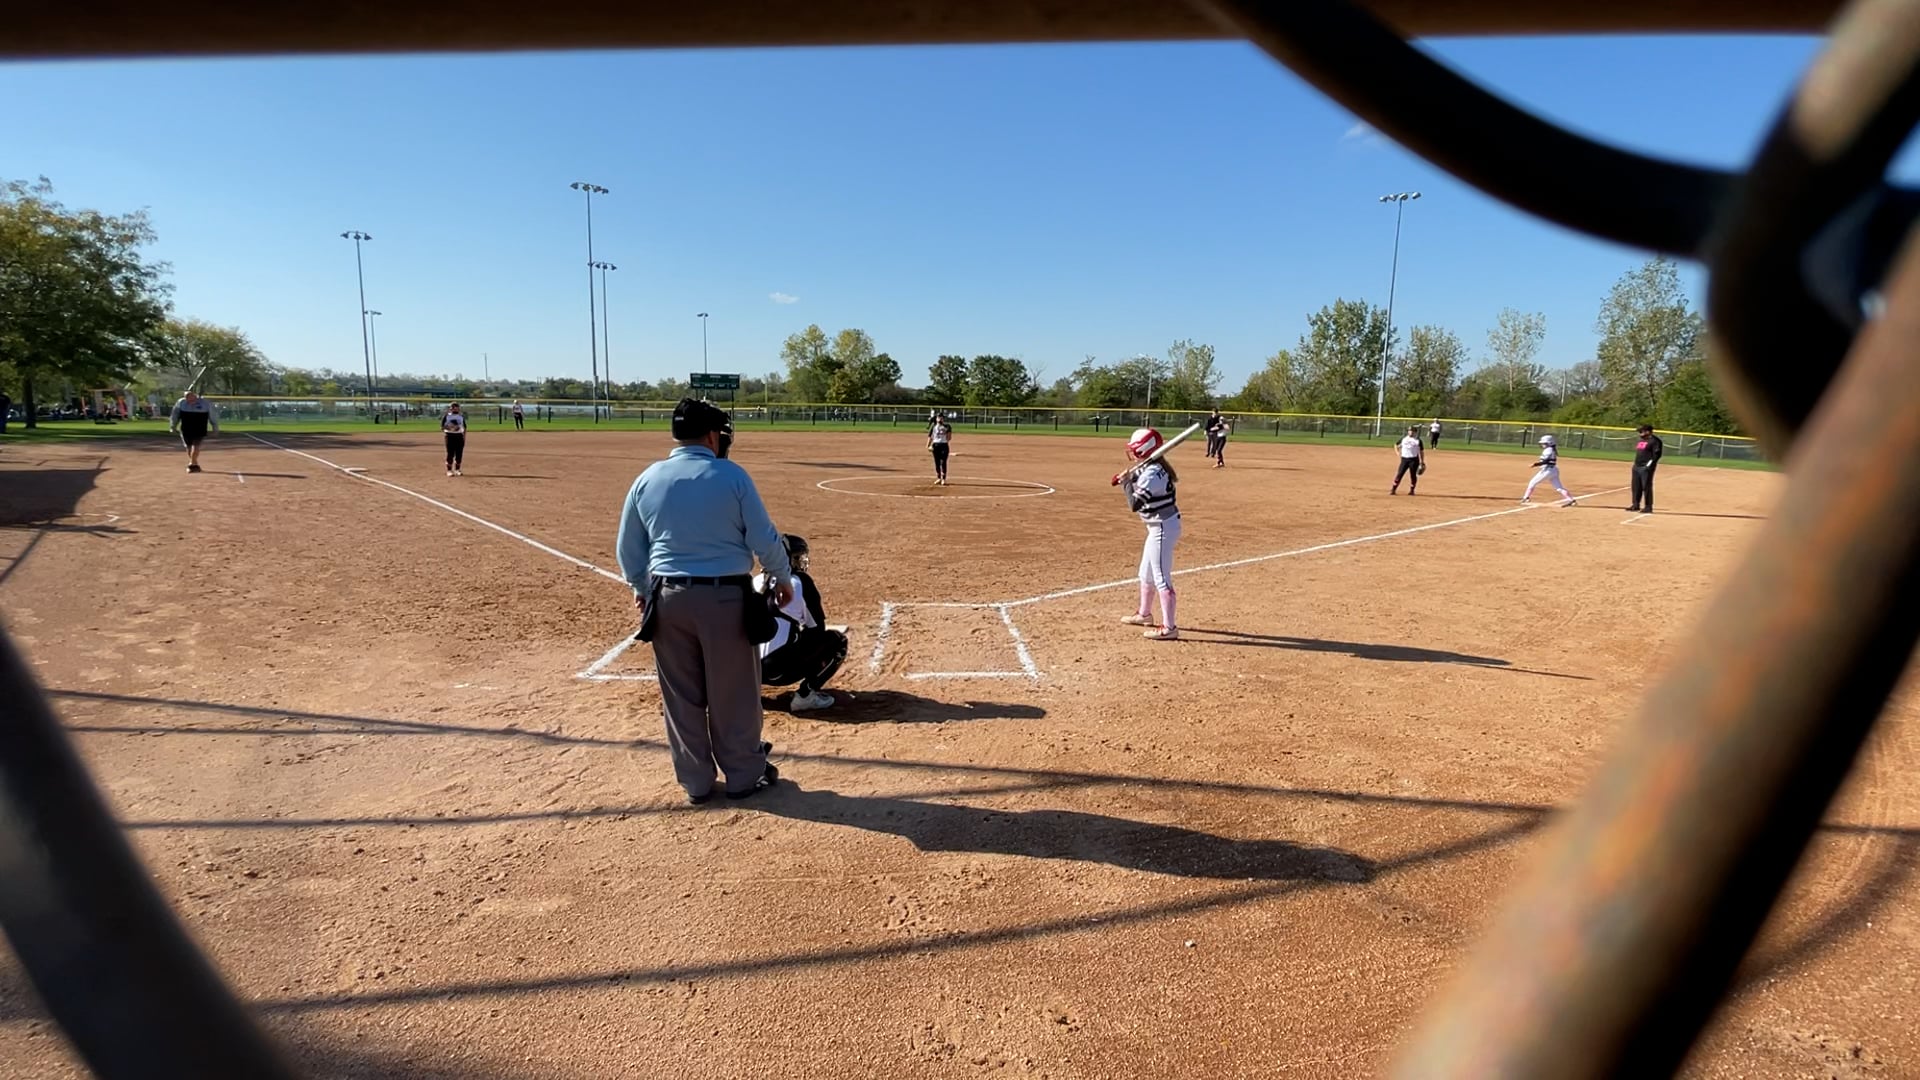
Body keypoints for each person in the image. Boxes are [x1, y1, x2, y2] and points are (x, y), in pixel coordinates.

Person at [617, 398, 794, 805]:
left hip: (668, 599)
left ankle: (695, 782)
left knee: (681, 697)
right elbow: (763, 537)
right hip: (724, 598)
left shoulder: (647, 479)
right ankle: (743, 776)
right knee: (734, 693)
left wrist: (641, 589)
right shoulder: (731, 476)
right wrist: (781, 576)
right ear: (713, 436)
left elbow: (629, 549)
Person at [756, 534, 849, 711]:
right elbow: (817, 629)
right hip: (778, 672)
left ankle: (736, 691)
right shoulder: (800, 582)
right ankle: (806, 696)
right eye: (796, 557)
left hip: (747, 670)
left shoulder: (755, 581)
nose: (800, 562)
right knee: (836, 641)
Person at [1111, 428, 1181, 641]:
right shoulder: (1151, 467)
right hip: (1158, 526)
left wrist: (1126, 483)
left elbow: (1135, 503)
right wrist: (1128, 477)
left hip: (1162, 527)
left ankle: (1169, 627)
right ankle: (1144, 614)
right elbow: (1137, 476)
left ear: (1143, 450)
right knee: (1146, 572)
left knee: (1161, 577)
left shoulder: (1152, 473)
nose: (1132, 453)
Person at [168, 390, 218, 473]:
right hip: (186, 428)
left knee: (196, 446)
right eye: (187, 398)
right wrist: (173, 426)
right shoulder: (181, 403)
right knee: (188, 447)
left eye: (191, 398)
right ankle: (195, 464)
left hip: (200, 428)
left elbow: (212, 416)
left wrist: (215, 427)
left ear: (195, 396)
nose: (189, 401)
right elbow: (175, 415)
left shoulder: (205, 403)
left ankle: (191, 464)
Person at [1523, 435, 1576, 506]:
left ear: (1549, 443)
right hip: (1553, 470)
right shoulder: (1551, 449)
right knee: (1559, 488)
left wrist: (1535, 464)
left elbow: (1546, 461)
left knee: (1532, 483)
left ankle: (1526, 498)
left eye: (1544, 443)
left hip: (1547, 470)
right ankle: (1571, 500)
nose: (1542, 445)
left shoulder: (1548, 450)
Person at [1629, 424, 1664, 513]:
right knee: (1636, 486)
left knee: (1646, 486)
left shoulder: (1655, 441)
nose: (1640, 433)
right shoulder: (1642, 440)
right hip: (1637, 466)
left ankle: (1648, 506)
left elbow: (1656, 455)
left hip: (1646, 467)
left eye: (1641, 431)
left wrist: (1648, 465)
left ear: (1648, 432)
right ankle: (1635, 504)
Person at [1391, 425, 1425, 495]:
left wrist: (1422, 461)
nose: (1411, 432)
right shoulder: (1404, 439)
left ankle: (1412, 490)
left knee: (1413, 475)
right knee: (1400, 474)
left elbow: (1421, 451)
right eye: (1409, 431)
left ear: (1415, 432)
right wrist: (1398, 453)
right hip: (1404, 460)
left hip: (1414, 460)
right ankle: (1393, 489)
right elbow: (1396, 445)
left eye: (1412, 431)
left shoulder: (1418, 440)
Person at [441, 403, 468, 476]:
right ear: (450, 409)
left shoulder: (461, 416)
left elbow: (464, 428)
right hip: (450, 436)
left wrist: (464, 437)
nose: (455, 409)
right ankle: (449, 470)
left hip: (459, 436)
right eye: (453, 408)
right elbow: (442, 427)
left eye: (457, 408)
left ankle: (457, 470)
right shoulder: (447, 416)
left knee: (459, 454)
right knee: (450, 454)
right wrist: (452, 428)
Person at [928, 414, 953, 485]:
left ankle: (943, 478)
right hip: (935, 445)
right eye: (939, 418)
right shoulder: (934, 427)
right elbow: (930, 437)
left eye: (941, 418)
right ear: (936, 419)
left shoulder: (947, 426)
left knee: (943, 462)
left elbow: (949, 438)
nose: (940, 419)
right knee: (937, 462)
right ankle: (938, 478)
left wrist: (946, 432)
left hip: (944, 445)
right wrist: (928, 446)